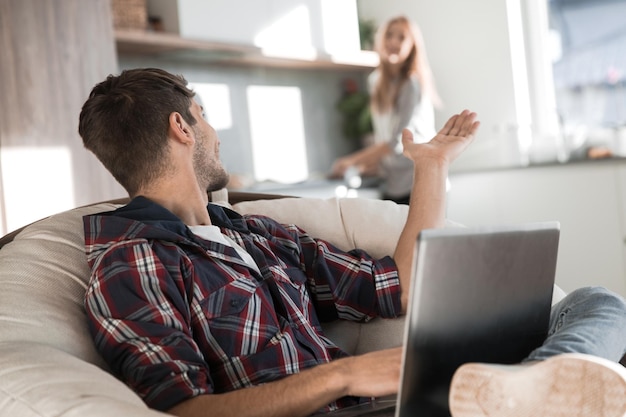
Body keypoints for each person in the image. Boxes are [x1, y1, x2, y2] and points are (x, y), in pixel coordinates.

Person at [78, 67, 626, 417]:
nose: (215, 135)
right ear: (182, 126)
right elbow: (184, 412)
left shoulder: (256, 232)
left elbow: (401, 285)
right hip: (348, 406)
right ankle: (530, 398)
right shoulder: (130, 263)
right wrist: (345, 373)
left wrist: (430, 169)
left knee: (597, 303)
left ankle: (525, 393)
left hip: (392, 404)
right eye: (206, 118)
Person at [331, 16, 442, 205]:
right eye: (389, 35)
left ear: (412, 46)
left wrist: (349, 161)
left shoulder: (411, 84)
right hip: (394, 184)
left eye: (401, 37)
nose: (393, 42)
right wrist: (362, 167)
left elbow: (395, 143)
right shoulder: (376, 82)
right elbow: (384, 139)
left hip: (422, 182)